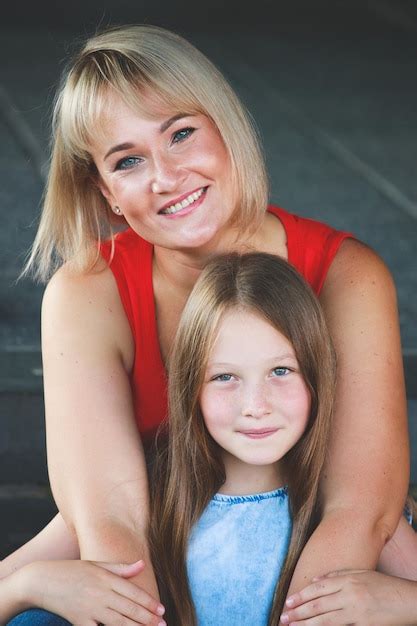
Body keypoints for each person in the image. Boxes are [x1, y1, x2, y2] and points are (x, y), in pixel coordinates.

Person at [0, 22, 412, 624]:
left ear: (227, 128)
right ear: (107, 191)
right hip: (165, 559)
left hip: (316, 560)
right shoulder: (89, 292)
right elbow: (109, 523)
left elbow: (358, 510)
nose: (166, 177)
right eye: (129, 160)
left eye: (182, 135)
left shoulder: (347, 275)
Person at [148, 251, 337, 624]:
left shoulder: (343, 500)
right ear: (191, 387)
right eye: (225, 377)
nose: (255, 405)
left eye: (280, 370)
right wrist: (33, 582)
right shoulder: (148, 486)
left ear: (316, 374)